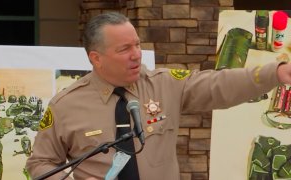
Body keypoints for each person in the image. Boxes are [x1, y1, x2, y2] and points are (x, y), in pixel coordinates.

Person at [26, 12, 291, 179]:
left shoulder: (163, 85)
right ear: (96, 58)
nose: (136, 54)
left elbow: (217, 85)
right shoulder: (65, 105)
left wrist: (275, 73)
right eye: (124, 49)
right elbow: (40, 164)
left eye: (138, 44)